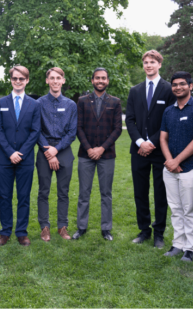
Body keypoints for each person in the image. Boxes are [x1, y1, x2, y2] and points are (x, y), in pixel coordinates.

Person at [125, 50, 176, 248]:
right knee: (140, 191)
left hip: (160, 150)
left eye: (152, 62)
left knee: (160, 192)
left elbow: (169, 120)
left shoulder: (169, 89)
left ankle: (159, 233)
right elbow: (129, 119)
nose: (148, 65)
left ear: (159, 65)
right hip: (138, 151)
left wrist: (151, 143)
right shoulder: (135, 90)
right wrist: (140, 142)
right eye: (146, 62)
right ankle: (144, 230)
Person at [159, 71, 193, 262]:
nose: (178, 87)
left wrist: (177, 161)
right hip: (170, 168)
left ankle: (191, 249)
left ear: (191, 86)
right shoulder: (168, 111)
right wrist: (170, 161)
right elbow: (163, 138)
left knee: (190, 209)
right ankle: (178, 244)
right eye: (174, 84)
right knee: (175, 208)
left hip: (192, 168)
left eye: (182, 84)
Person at [72, 67, 122, 241]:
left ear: (107, 81)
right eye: (97, 78)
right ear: (92, 80)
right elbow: (78, 127)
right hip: (86, 154)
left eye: (104, 78)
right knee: (84, 193)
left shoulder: (115, 102)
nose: (100, 81)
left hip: (107, 155)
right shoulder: (82, 101)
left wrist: (102, 148)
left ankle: (106, 228)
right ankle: (81, 227)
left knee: (106, 193)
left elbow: (117, 130)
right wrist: (89, 149)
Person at [0, 65, 41, 246]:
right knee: (4, 196)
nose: (18, 81)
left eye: (21, 79)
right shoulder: (0, 103)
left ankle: (21, 232)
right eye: (15, 78)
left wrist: (21, 153)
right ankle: (5, 232)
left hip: (26, 158)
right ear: (11, 80)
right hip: (4, 159)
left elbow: (35, 131)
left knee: (24, 196)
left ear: (27, 80)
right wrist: (10, 152)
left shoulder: (35, 104)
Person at [36, 67, 77, 242]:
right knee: (43, 191)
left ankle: (62, 226)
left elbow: (72, 132)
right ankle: (44, 228)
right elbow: (36, 130)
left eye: (58, 78)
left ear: (63, 81)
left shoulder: (70, 105)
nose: (55, 81)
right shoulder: (37, 103)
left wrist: (56, 150)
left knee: (63, 192)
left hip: (64, 151)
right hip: (44, 151)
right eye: (51, 78)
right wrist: (49, 152)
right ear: (47, 81)